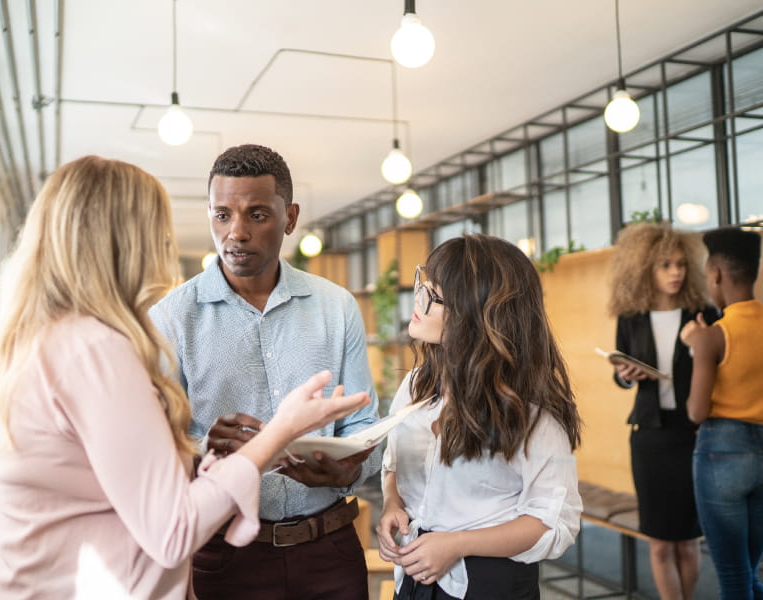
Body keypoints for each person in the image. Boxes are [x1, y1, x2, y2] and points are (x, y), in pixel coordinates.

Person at [0, 156, 370, 599]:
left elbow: (31, 495)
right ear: (125, 240)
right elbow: (170, 526)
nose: (164, 242)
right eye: (157, 228)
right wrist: (279, 432)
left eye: (256, 214)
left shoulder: (24, 343)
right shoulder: (104, 346)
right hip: (195, 559)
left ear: (288, 218)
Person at [149, 144, 380, 600]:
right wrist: (203, 450)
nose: (236, 233)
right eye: (222, 215)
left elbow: (364, 426)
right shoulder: (171, 319)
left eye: (257, 215)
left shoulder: (336, 307)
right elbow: (155, 450)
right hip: (225, 554)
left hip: (330, 550)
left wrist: (348, 471)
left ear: (290, 217)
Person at [376, 234, 582, 600]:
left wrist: (456, 544)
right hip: (413, 575)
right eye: (422, 284)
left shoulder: (530, 414)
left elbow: (553, 521)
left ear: (475, 315)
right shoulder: (416, 386)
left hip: (489, 582)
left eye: (433, 296)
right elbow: (395, 462)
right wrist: (393, 504)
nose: (418, 300)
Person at [607, 221, 716, 600]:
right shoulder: (631, 317)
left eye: (680, 264)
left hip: (693, 435)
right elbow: (621, 378)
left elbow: (720, 370)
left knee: (687, 541)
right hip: (650, 437)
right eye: (664, 265)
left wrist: (695, 347)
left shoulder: (703, 313)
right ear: (645, 269)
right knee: (658, 543)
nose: (675, 272)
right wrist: (626, 374)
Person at [679, 227, 763, 600]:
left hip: (723, 453)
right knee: (749, 567)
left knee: (732, 575)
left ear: (715, 274)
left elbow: (696, 411)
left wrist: (697, 346)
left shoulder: (713, 335)